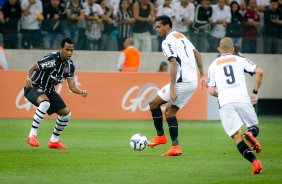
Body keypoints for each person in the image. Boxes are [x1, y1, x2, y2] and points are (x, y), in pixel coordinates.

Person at [147, 15, 206, 156]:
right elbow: (197, 54)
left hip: (181, 81)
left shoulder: (166, 42)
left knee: (153, 104)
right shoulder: (181, 36)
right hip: (193, 82)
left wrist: (173, 87)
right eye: (156, 27)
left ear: (167, 26)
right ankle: (175, 147)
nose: (157, 30)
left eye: (159, 26)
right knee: (169, 112)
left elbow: (173, 63)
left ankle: (160, 136)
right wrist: (202, 74)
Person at [207, 37, 263, 174]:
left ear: (219, 50)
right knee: (253, 126)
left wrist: (220, 94)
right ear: (233, 49)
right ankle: (250, 133)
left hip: (225, 101)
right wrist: (255, 92)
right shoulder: (240, 59)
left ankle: (255, 163)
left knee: (237, 138)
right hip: (242, 99)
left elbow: (211, 90)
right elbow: (259, 72)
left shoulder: (213, 65)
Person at [24, 38, 88, 149]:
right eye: (67, 49)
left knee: (66, 114)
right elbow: (32, 67)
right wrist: (28, 78)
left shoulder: (69, 65)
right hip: (34, 87)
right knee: (45, 103)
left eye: (71, 50)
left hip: (49, 91)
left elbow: (72, 87)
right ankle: (32, 135)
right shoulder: (52, 59)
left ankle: (54, 141)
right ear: (61, 49)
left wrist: (80, 91)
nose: (69, 53)